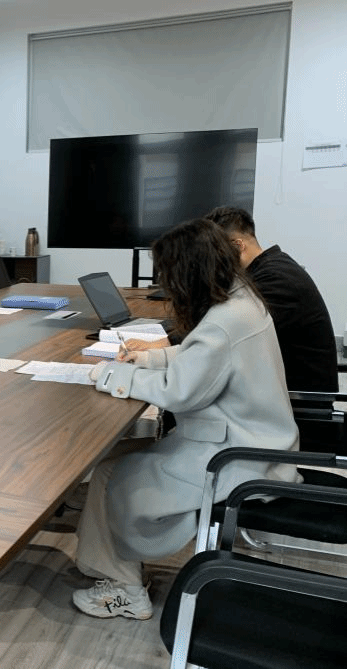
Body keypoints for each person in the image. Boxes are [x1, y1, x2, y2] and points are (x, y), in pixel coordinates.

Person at [71, 218, 299, 620]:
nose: (167, 283)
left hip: (235, 456)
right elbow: (204, 355)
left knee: (113, 475)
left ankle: (126, 592)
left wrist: (111, 374)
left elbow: (179, 391)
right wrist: (149, 359)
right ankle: (114, 569)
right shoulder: (241, 300)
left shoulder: (225, 321)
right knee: (113, 461)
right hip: (253, 442)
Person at [125, 207, 338, 392]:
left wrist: (163, 343)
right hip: (268, 383)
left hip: (298, 401)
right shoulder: (268, 268)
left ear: (237, 246)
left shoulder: (276, 280)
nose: (211, 260)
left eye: (215, 251)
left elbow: (224, 332)